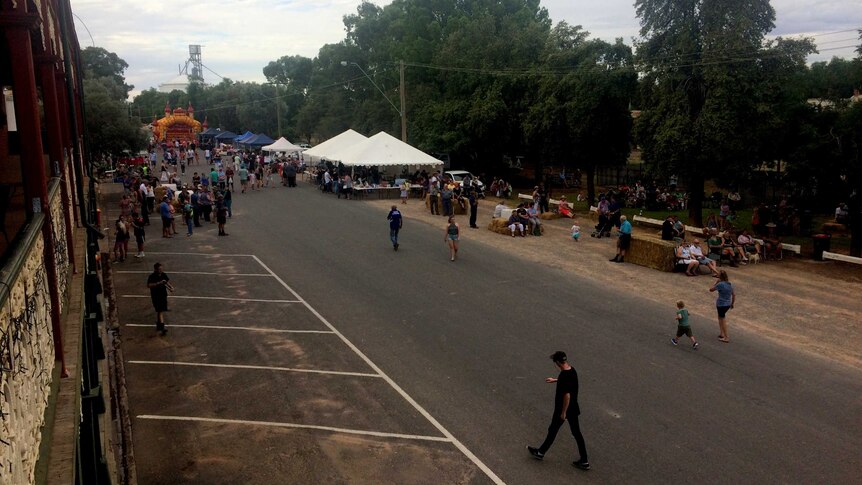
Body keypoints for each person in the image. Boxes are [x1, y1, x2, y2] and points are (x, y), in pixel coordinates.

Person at [527, 351, 590, 471]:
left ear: (557, 362)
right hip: (574, 409)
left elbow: (567, 396)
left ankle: (540, 452)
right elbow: (568, 381)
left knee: (553, 430)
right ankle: (585, 460)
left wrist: (563, 413)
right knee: (576, 433)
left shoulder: (564, 375)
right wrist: (556, 380)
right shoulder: (572, 370)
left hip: (564, 409)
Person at [147, 262, 172, 336]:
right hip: (156, 295)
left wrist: (171, 287)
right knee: (160, 310)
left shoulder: (163, 274)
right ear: (155, 269)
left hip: (163, 295)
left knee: (160, 310)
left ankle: (159, 325)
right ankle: (162, 327)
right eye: (159, 269)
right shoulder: (152, 276)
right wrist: (158, 283)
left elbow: (166, 282)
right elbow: (149, 285)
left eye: (161, 269)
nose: (161, 270)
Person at [709, 270, 735, 343]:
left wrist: (716, 283)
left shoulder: (720, 284)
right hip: (728, 303)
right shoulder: (730, 284)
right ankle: (722, 333)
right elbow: (733, 294)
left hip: (721, 304)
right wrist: (732, 303)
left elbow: (711, 290)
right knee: (720, 317)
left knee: (722, 319)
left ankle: (726, 337)